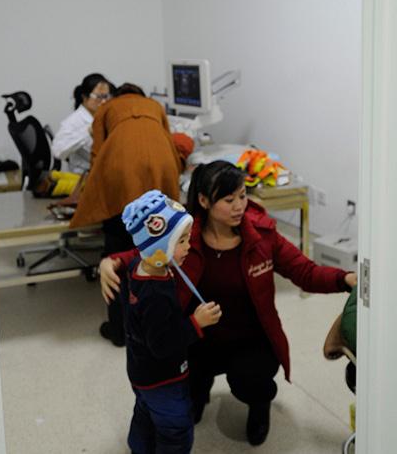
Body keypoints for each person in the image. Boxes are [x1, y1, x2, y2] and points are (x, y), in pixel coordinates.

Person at [100, 160, 357, 446]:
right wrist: (111, 262)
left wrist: (344, 278)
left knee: (252, 381)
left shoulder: (261, 236)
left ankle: (259, 407)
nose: (239, 206)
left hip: (249, 338)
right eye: (229, 199)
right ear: (204, 201)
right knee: (182, 395)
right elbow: (147, 251)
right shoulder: (184, 236)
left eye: (243, 196)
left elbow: (305, 272)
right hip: (196, 335)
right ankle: (198, 390)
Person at [70, 83, 184, 346]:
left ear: (116, 96)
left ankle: (119, 329)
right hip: (161, 176)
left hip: (121, 182)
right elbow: (170, 144)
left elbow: (97, 155)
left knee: (117, 252)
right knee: (157, 250)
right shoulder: (155, 106)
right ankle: (158, 323)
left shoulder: (106, 108)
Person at [119, 189, 221, 454]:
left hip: (140, 370)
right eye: (181, 241)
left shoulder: (138, 267)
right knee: (175, 427)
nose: (188, 247)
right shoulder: (156, 294)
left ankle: (139, 448)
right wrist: (196, 322)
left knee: (145, 412)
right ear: (158, 247)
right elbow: (162, 345)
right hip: (162, 378)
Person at [51, 73, 115, 174]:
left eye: (106, 97)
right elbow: (57, 151)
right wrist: (87, 132)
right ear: (85, 97)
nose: (103, 102)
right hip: (85, 175)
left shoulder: (104, 116)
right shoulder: (74, 121)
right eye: (98, 97)